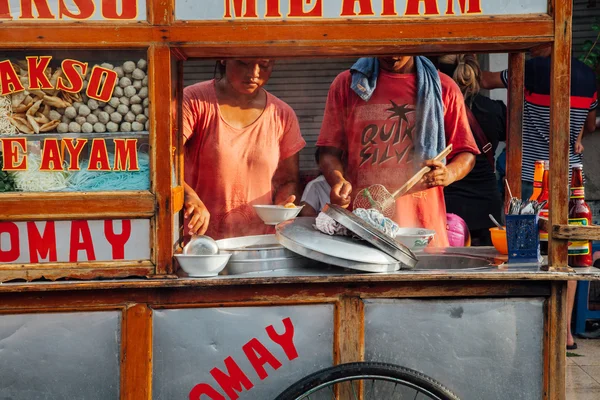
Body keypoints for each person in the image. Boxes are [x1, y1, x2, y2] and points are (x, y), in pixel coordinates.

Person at [481, 44, 598, 350]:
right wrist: (577, 139)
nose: (529, 48)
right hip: (572, 179)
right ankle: (564, 333)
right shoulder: (588, 77)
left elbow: (484, 80)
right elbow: (588, 124)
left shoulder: (531, 70)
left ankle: (525, 327)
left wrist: (464, 63)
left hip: (532, 177)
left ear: (551, 41)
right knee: (568, 254)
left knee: (523, 253)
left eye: (535, 43)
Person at [317, 56, 479, 247]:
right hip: (364, 229)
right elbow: (328, 151)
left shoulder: (443, 87)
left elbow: (466, 153)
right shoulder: (349, 84)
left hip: (422, 228)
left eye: (401, 47)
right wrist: (338, 181)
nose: (393, 55)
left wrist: (449, 173)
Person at [182, 59, 306, 240]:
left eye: (264, 65)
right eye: (244, 63)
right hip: (201, 242)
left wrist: (284, 205)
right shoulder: (194, 100)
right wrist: (188, 195)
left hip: (260, 243)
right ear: (224, 58)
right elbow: (163, 161)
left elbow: (288, 180)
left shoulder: (282, 114)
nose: (254, 73)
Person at [437, 54, 506, 246]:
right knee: (486, 267)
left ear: (440, 76)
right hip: (487, 203)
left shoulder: (435, 111)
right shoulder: (495, 110)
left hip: (448, 200)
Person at [299, 149, 332, 217]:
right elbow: (306, 214)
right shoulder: (316, 185)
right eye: (327, 164)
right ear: (319, 165)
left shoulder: (356, 184)